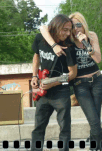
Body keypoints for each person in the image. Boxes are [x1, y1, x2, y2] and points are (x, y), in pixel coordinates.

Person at [40, 12, 102, 150]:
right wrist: (54, 45)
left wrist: (86, 43)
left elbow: (98, 59)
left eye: (79, 25)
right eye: (73, 26)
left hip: (97, 81)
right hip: (80, 84)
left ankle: (96, 147)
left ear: (84, 25)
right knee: (93, 119)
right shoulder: (68, 40)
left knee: (96, 117)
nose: (76, 29)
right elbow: (43, 28)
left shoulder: (92, 36)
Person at [31, 14, 77, 151]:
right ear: (56, 27)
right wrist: (34, 76)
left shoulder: (69, 46)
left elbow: (73, 74)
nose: (68, 33)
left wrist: (54, 83)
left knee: (64, 127)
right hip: (43, 92)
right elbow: (36, 57)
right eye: (65, 29)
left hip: (61, 92)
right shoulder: (41, 38)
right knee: (38, 127)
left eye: (69, 30)